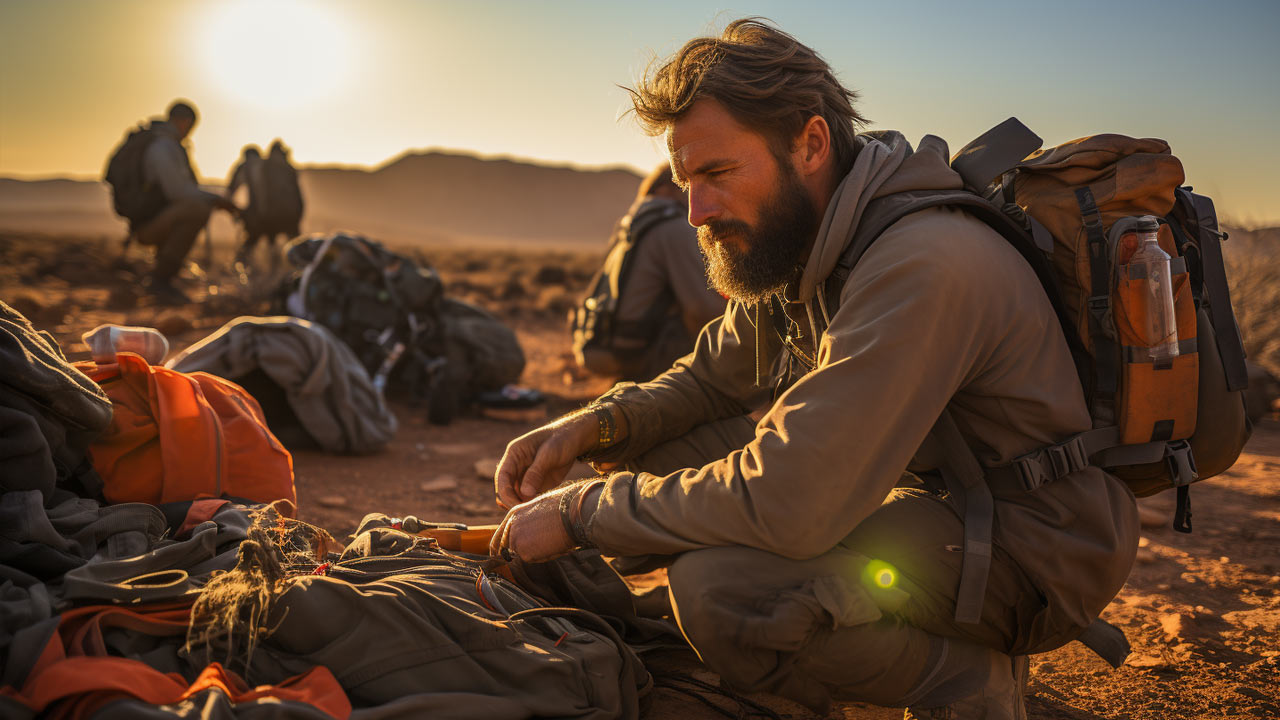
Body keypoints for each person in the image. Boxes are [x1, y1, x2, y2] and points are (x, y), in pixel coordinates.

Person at [489, 19, 1138, 719]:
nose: (695, 212)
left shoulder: (921, 261)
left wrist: (582, 513)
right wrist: (591, 426)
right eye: (685, 181)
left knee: (725, 593)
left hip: (1030, 545)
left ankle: (966, 679)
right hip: (932, 510)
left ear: (811, 143)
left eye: (717, 174)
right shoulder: (806, 242)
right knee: (649, 453)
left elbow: (789, 504)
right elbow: (710, 379)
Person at [574, 162, 726, 380]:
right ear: (665, 188)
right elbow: (703, 309)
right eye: (684, 184)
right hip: (634, 350)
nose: (693, 194)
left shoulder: (632, 224)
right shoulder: (672, 228)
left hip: (598, 342)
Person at [131, 100, 237, 302]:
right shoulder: (162, 147)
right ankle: (161, 280)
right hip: (148, 224)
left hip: (156, 218)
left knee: (196, 206)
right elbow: (177, 192)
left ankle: (163, 277)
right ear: (184, 122)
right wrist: (215, 200)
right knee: (196, 209)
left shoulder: (169, 145)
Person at [225, 145, 268, 264]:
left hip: (256, 213)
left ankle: (241, 265)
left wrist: (232, 210)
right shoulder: (268, 166)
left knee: (251, 239)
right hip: (281, 213)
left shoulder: (245, 166)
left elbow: (231, 190)